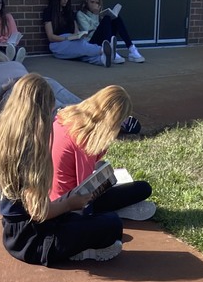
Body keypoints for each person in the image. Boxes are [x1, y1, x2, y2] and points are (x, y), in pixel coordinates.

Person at [0, 74, 124, 265]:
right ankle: (76, 251)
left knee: (99, 220)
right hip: (34, 241)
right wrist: (70, 204)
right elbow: (38, 212)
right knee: (112, 223)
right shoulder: (32, 150)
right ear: (42, 115)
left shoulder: (5, 139)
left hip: (15, 232)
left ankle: (78, 243)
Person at [52, 85, 155, 222]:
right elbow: (85, 191)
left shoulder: (65, 118)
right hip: (68, 206)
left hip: (49, 194)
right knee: (142, 189)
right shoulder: (84, 140)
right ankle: (113, 212)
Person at [42, 0, 112, 67]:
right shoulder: (48, 12)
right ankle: (103, 50)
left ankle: (102, 60)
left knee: (81, 51)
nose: (66, 0)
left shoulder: (69, 12)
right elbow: (51, 37)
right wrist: (67, 38)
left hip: (72, 41)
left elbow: (76, 31)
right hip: (58, 43)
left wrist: (79, 35)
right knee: (81, 46)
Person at [75, 0, 145, 64]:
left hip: (104, 39)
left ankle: (131, 48)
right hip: (91, 42)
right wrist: (96, 15)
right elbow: (90, 33)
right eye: (92, 2)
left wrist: (100, 16)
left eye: (97, 3)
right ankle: (111, 51)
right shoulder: (80, 14)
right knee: (107, 18)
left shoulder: (98, 12)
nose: (94, 5)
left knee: (116, 17)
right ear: (86, 1)